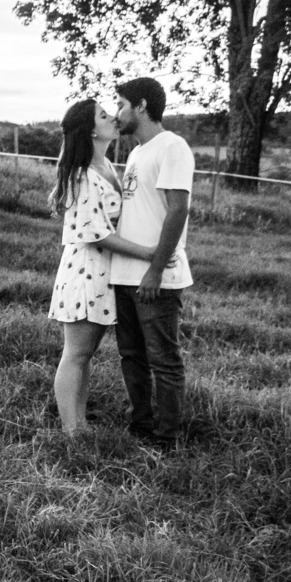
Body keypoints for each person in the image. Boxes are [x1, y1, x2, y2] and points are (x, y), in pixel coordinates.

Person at [48, 98, 167, 435]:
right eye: (104, 115)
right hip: (85, 272)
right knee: (76, 353)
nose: (113, 118)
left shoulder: (106, 166)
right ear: (91, 131)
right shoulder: (84, 175)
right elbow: (97, 234)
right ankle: (71, 429)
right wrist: (149, 253)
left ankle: (80, 423)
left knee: (85, 354)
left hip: (104, 274)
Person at [111, 77, 194, 449]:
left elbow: (178, 210)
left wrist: (156, 269)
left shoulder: (172, 147)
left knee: (163, 359)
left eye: (121, 105)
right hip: (125, 272)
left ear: (141, 105)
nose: (117, 113)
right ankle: (140, 424)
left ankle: (167, 435)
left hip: (156, 277)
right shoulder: (136, 153)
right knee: (132, 355)